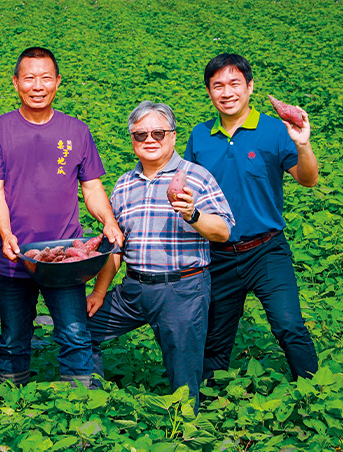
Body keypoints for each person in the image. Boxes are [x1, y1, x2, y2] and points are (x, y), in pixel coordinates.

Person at [0, 47, 124, 388]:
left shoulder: (76, 131)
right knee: (14, 337)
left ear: (58, 82)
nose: (37, 85)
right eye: (29, 78)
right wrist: (6, 231)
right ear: (16, 83)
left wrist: (108, 220)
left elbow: (91, 188)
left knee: (74, 334)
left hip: (64, 258)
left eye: (45, 78)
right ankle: (11, 404)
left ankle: (79, 406)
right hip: (15, 255)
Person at [86, 101, 234, 410]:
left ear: (173, 136)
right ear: (132, 140)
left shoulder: (196, 177)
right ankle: (94, 404)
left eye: (158, 132)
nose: (149, 140)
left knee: (183, 373)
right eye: (141, 135)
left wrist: (193, 214)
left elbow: (223, 231)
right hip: (133, 289)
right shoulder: (125, 183)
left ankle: (185, 430)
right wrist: (99, 291)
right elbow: (117, 245)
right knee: (81, 331)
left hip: (182, 290)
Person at [184, 53, 319, 384]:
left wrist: (303, 145)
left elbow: (308, 178)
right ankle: (207, 409)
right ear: (209, 91)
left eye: (234, 84)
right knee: (214, 339)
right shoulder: (200, 137)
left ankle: (317, 392)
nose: (227, 92)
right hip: (218, 253)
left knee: (289, 326)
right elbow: (185, 188)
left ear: (250, 87)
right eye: (218, 86)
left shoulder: (275, 130)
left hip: (266, 249)